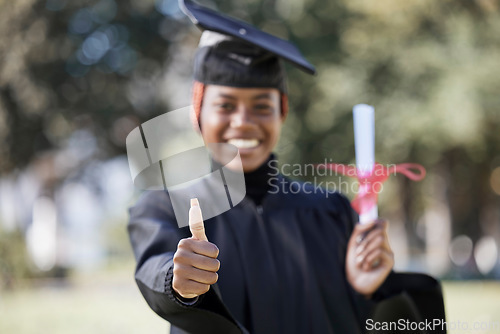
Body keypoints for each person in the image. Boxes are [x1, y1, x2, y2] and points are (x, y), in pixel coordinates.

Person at [128, 1, 446, 333]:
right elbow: (154, 267)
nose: (244, 122)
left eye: (262, 106)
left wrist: (371, 291)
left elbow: (378, 322)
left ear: (282, 113)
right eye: (225, 104)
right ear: (198, 114)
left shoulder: (332, 211)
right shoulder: (164, 208)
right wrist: (178, 281)